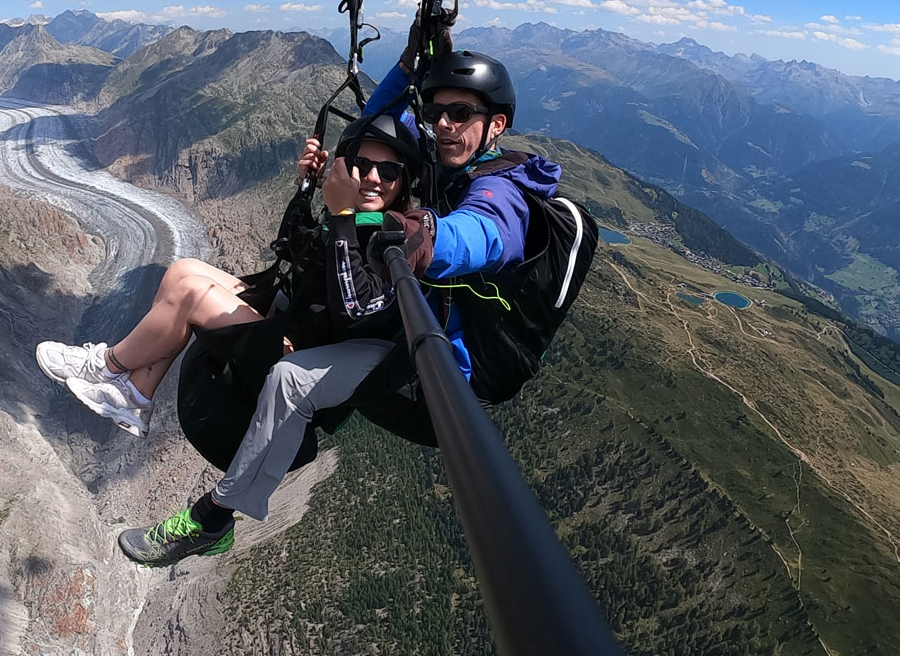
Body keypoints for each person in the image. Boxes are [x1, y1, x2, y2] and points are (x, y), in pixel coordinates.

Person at [114, 40, 561, 566]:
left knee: (290, 380)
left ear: (497, 125)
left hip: (439, 368)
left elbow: (479, 236)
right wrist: (407, 64)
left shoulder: (503, 192)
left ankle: (212, 520)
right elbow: (375, 127)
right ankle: (131, 382)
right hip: (409, 330)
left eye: (460, 114)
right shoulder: (448, 159)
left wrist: (381, 225)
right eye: (438, 111)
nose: (442, 125)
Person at [36, 116, 426, 552]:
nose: (372, 177)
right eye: (361, 164)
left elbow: (354, 307)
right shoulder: (350, 217)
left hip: (300, 355)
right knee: (183, 270)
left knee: (188, 293)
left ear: (403, 180)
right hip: (291, 327)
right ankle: (136, 393)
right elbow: (292, 252)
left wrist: (340, 216)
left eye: (388, 171)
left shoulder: (394, 232)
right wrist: (307, 190)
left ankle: (107, 366)